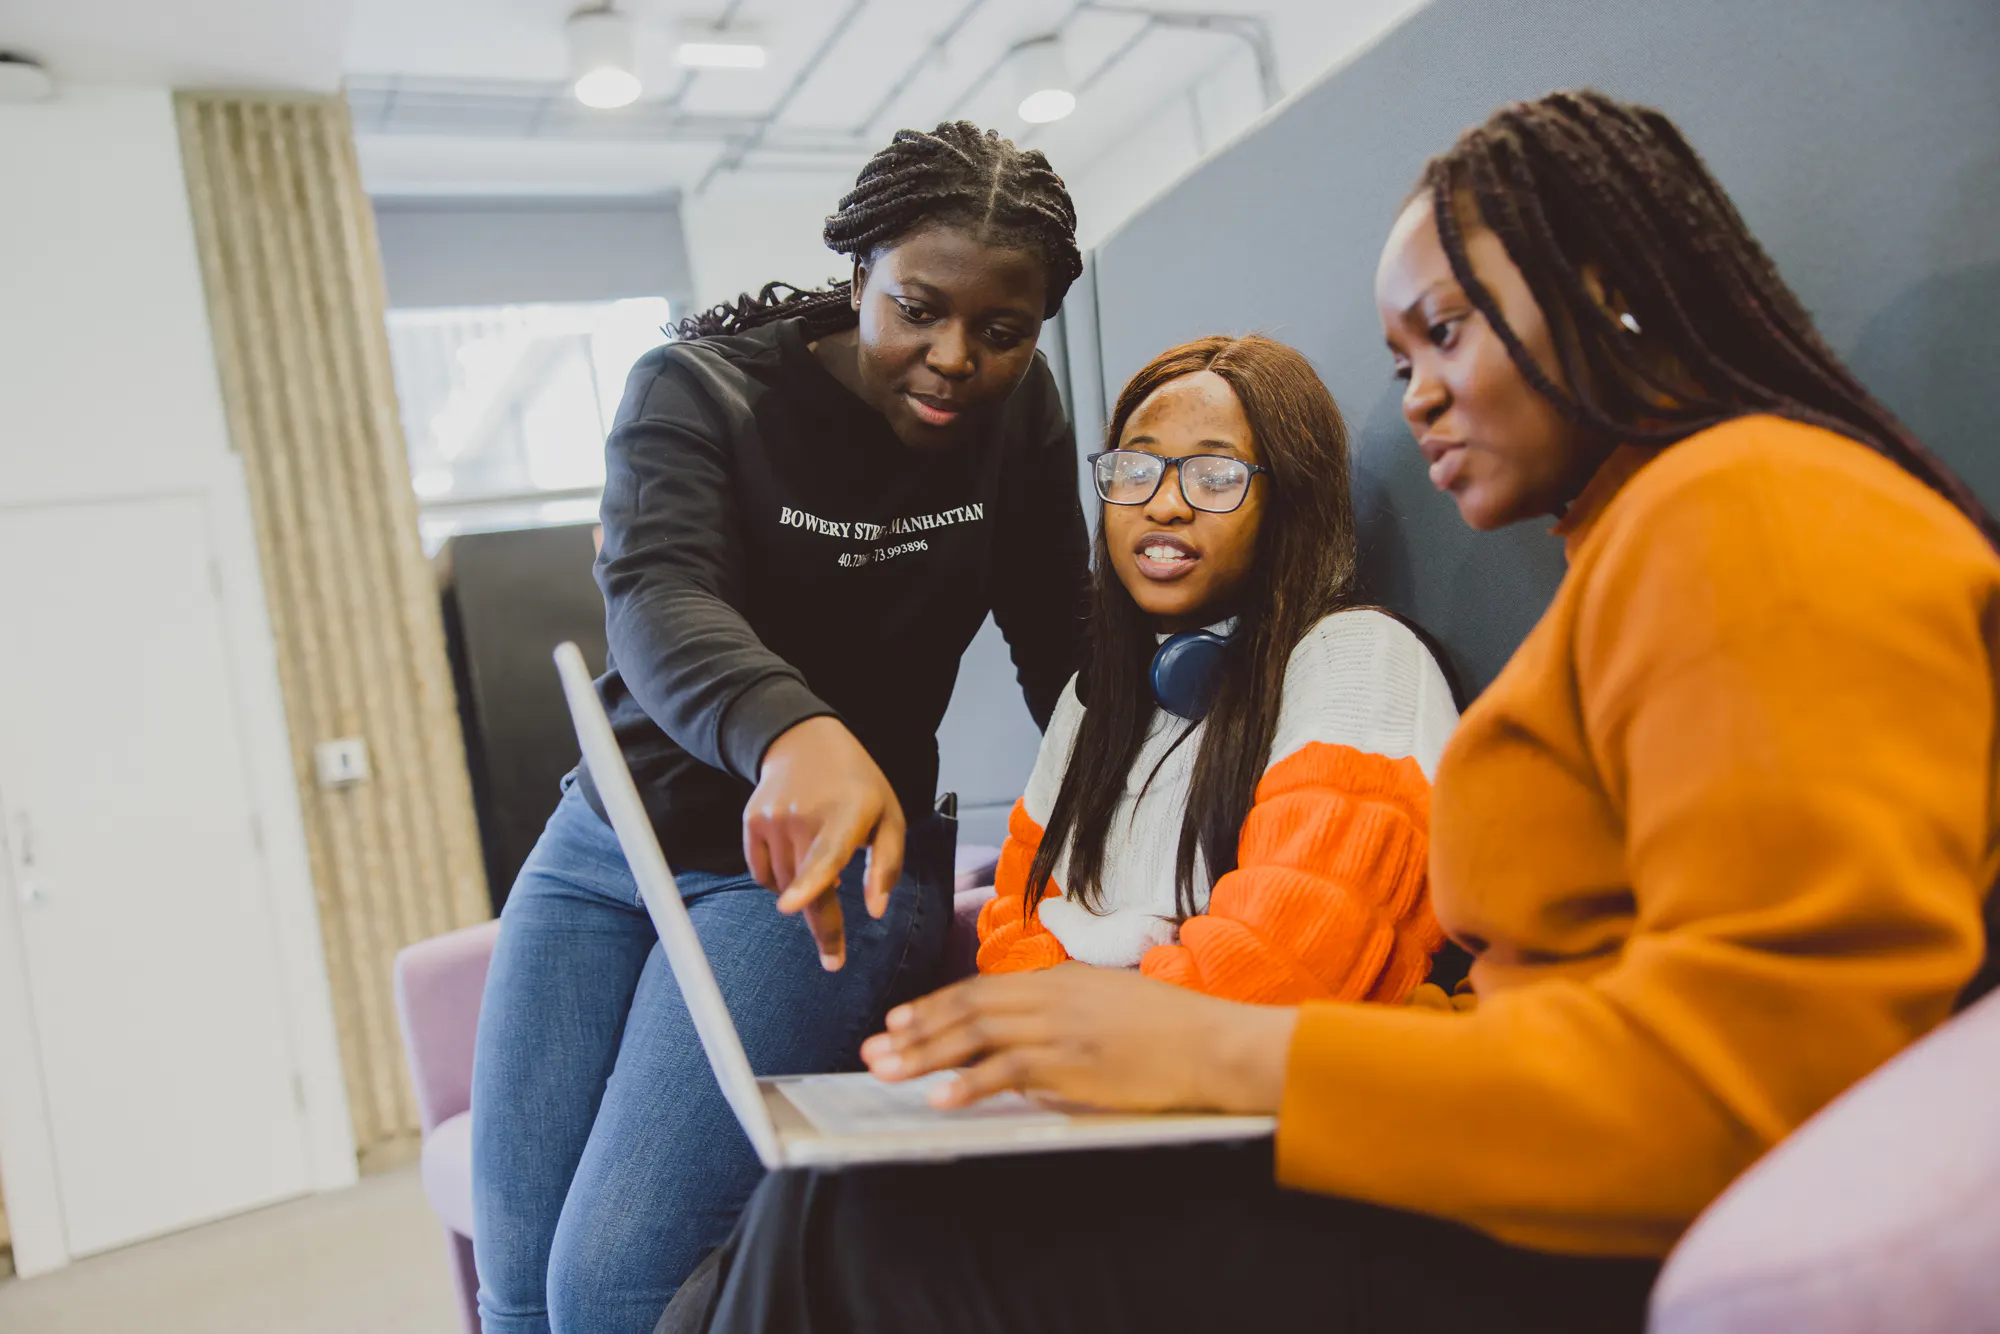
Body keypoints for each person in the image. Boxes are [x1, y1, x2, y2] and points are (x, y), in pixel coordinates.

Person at [673, 90, 2000, 1334]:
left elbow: (1742, 1073)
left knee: (845, 1225)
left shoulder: (1752, 509)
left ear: (1603, 292)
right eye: (1399, 355)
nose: (1416, 393)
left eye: (1446, 331)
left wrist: (1208, 1045)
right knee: (823, 1199)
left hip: (1563, 1210)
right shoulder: (1644, 540)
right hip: (1482, 1132)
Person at [469, 121, 1090, 1334]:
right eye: (917, 308)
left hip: (821, 875)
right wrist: (791, 732)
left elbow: (1056, 635)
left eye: (1001, 330)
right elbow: (658, 594)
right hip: (610, 845)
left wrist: (1137, 789)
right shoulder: (699, 389)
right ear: (859, 273)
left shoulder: (1018, 419)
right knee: (519, 1282)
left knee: (611, 1284)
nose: (954, 357)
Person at [969, 334, 1457, 1005]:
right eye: (1135, 468)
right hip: (1094, 1068)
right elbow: (1010, 928)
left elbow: (1281, 972)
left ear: (1288, 501)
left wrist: (1079, 955)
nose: (1163, 504)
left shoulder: (1357, 662)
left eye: (1217, 476)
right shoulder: (1094, 698)